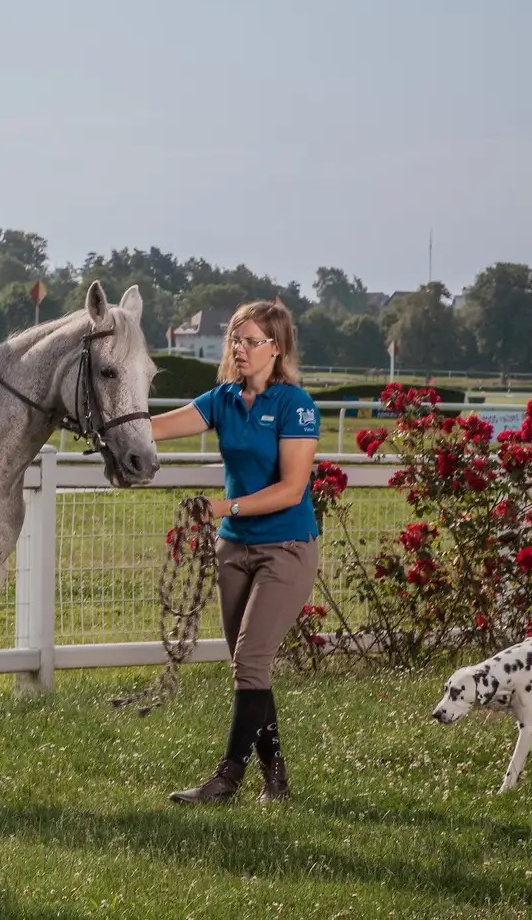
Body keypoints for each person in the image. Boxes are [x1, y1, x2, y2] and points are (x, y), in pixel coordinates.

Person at [149, 300, 320, 802]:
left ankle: (227, 780)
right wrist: (113, 427)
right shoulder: (223, 399)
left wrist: (223, 505)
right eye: (234, 340)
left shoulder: (296, 404)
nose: (239, 349)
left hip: (286, 548)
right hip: (235, 550)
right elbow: (159, 426)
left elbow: (291, 489)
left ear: (277, 347)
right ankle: (277, 780)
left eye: (251, 341)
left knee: (249, 659)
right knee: (250, 667)